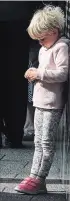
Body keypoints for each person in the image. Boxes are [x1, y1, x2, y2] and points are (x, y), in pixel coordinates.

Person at [14, 5, 68, 194]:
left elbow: (62, 73)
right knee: (38, 141)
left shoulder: (61, 46)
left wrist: (39, 73)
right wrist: (34, 73)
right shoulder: (46, 48)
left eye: (42, 38)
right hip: (40, 101)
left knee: (46, 142)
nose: (41, 43)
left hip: (52, 103)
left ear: (54, 31)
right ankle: (34, 175)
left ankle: (39, 177)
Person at [0, 2, 41, 148]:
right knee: (17, 82)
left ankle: (13, 134)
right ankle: (15, 134)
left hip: (18, 19)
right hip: (19, 20)